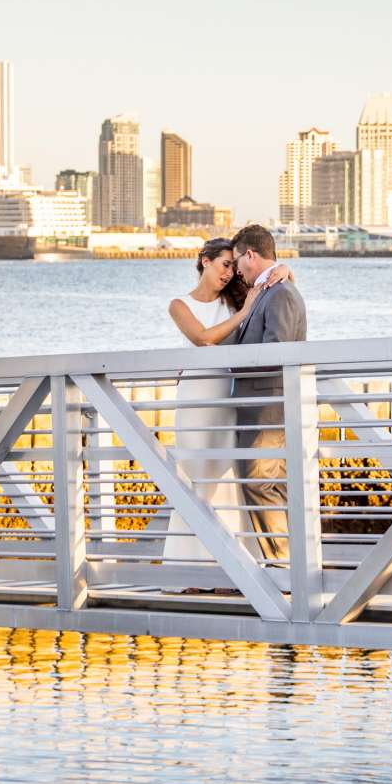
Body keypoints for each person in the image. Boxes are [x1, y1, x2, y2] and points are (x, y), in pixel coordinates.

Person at [158, 238, 289, 584]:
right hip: (194, 402)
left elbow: (272, 280)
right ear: (204, 261)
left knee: (227, 482)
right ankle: (189, 573)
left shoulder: (234, 298)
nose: (231, 273)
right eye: (224, 265)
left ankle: (232, 575)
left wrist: (285, 269)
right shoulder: (179, 305)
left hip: (225, 399)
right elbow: (202, 338)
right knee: (194, 482)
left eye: (234, 266)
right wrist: (245, 313)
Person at [220, 222, 309, 561]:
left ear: (251, 255)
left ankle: (284, 564)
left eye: (238, 261)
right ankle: (287, 564)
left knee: (259, 481)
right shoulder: (267, 291)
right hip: (261, 406)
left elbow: (278, 351)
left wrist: (233, 362)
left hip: (270, 407)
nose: (237, 270)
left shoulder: (281, 292)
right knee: (269, 483)